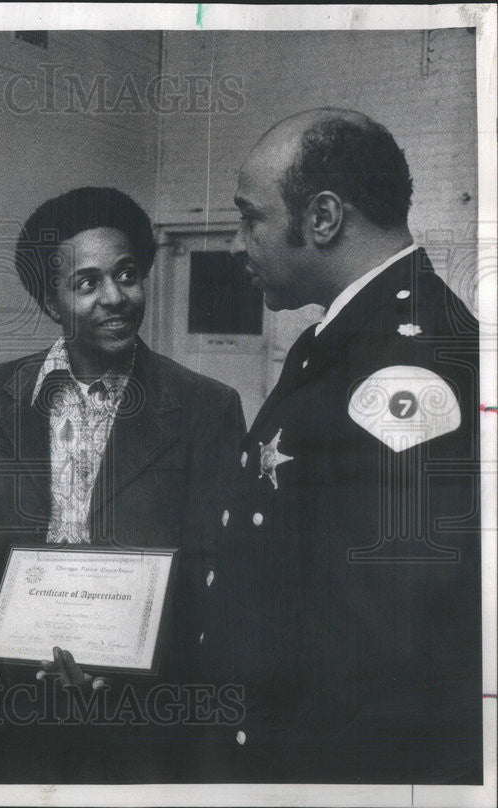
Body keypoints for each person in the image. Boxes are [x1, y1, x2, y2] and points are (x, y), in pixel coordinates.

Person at [0, 187, 246, 783]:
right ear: (52, 301)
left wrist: (126, 661)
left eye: (127, 275)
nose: (115, 298)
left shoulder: (204, 406)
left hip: (141, 708)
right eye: (86, 283)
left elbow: (209, 566)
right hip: (20, 695)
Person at [220, 108, 482, 783]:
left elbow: (388, 648)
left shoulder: (408, 366)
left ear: (324, 218)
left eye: (251, 219)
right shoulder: (338, 340)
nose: (236, 243)